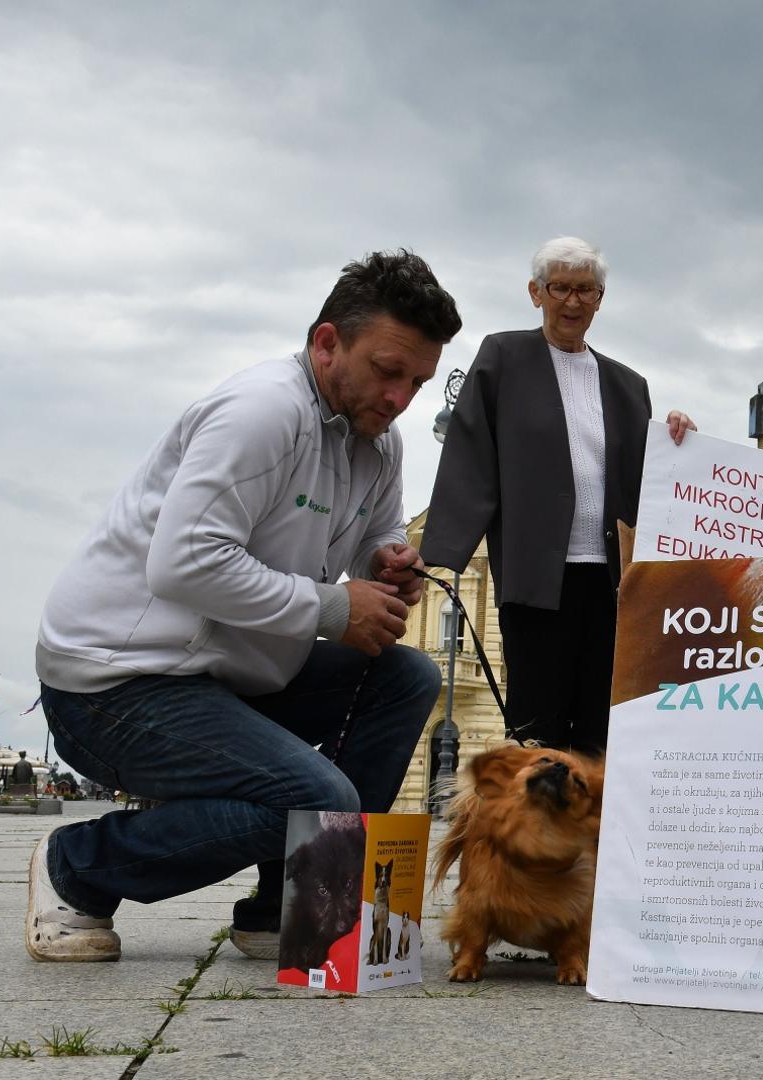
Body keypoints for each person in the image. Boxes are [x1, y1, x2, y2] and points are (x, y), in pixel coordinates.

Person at [29, 250, 460, 962]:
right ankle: (75, 867)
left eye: (416, 380)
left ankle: (288, 908)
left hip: (230, 676)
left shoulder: (376, 443)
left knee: (406, 676)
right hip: (115, 682)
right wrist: (330, 609)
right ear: (327, 343)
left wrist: (386, 564)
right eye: (387, 371)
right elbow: (183, 562)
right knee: (317, 799)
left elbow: (372, 538)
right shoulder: (262, 412)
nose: (400, 398)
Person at [421, 237, 694, 755]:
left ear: (600, 298)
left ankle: (592, 835)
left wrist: (681, 438)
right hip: (537, 579)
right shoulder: (502, 357)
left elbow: (651, 474)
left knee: (603, 724)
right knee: (537, 729)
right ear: (536, 293)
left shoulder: (627, 384)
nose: (572, 302)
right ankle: (528, 836)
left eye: (585, 290)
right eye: (560, 288)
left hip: (613, 581)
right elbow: (470, 448)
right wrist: (443, 556)